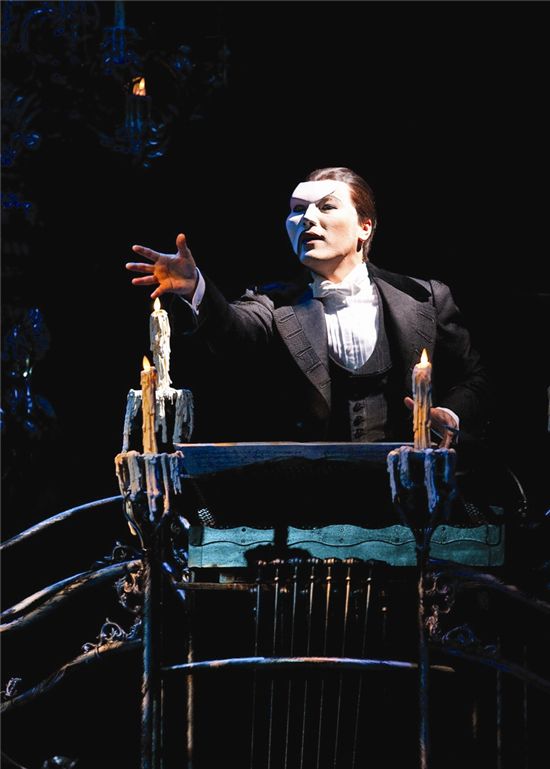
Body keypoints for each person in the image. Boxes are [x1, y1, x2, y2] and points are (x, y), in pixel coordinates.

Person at [126, 167, 489, 448]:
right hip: (309, 496)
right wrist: (196, 287)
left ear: (365, 227)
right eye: (297, 210)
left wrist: (451, 415)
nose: (307, 219)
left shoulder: (426, 297)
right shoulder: (272, 303)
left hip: (412, 490)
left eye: (326, 206)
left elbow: (474, 379)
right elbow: (233, 331)